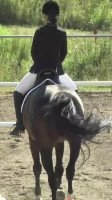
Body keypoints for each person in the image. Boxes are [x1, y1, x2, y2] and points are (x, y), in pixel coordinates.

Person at [10, 1, 77, 136]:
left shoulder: (39, 31)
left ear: (44, 15)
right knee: (75, 91)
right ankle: (74, 124)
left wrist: (40, 65)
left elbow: (33, 52)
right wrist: (56, 65)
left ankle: (20, 124)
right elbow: (63, 54)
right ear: (57, 15)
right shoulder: (62, 33)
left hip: (38, 70)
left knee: (17, 93)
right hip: (57, 71)